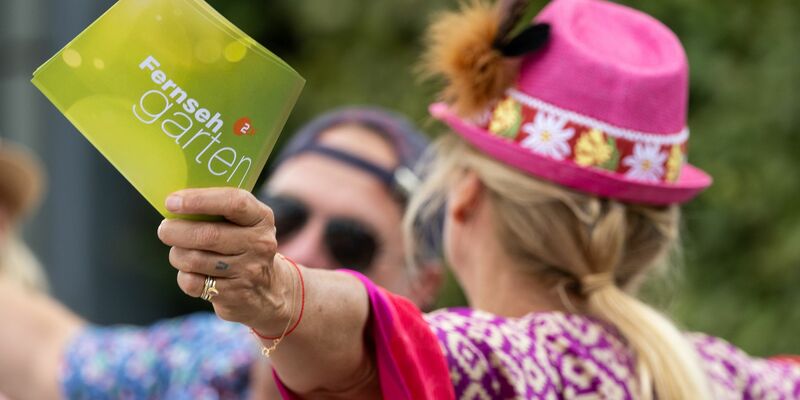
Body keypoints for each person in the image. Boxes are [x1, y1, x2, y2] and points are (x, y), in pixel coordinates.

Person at [157, 0, 800, 398]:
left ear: (464, 199)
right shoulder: (731, 378)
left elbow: (382, 334)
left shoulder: (502, 368)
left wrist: (277, 291)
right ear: (656, 237)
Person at [0, 107, 443, 399]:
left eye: (351, 244)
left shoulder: (464, 378)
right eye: (285, 217)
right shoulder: (206, 358)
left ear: (422, 285)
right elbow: (47, 355)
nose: (302, 252)